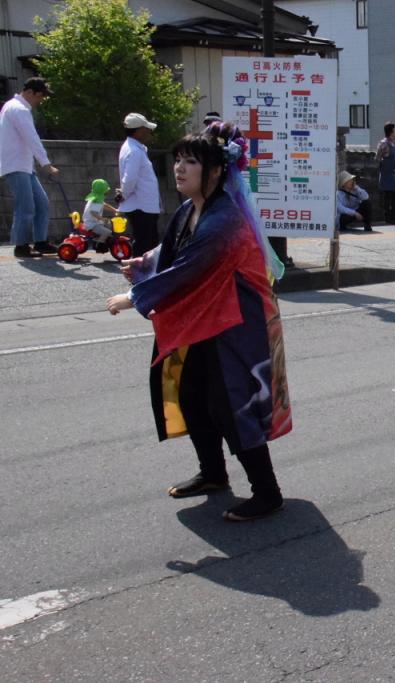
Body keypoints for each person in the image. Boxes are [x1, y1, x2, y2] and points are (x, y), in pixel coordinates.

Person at [105, 122, 290, 522]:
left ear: (218, 170)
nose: (179, 169)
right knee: (191, 395)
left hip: (236, 323)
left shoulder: (225, 219)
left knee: (231, 405)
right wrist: (142, 264)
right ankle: (213, 474)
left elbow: (189, 267)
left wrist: (135, 295)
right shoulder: (192, 209)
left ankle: (267, 492)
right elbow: (169, 252)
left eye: (191, 161)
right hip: (206, 316)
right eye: (177, 161)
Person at [0, 77, 60, 258]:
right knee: (25, 207)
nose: (40, 100)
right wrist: (47, 164)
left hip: (23, 166)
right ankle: (21, 246)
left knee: (41, 203)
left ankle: (40, 242)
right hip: (16, 165)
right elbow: (31, 138)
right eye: (40, 96)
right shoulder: (18, 109)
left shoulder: (15, 107)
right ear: (30, 93)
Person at [117, 113, 162, 254]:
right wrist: (123, 194)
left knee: (148, 242)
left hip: (142, 205)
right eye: (146, 129)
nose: (149, 132)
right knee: (145, 243)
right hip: (141, 206)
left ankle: (145, 273)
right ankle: (140, 274)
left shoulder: (133, 148)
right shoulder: (134, 151)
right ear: (139, 130)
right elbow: (130, 178)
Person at [376, 121, 395, 223]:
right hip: (387, 174)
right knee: (387, 197)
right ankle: (387, 218)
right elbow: (377, 158)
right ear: (391, 130)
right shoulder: (384, 143)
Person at [82, 178, 118, 247]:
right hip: (91, 224)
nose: (107, 192)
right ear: (102, 191)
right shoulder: (96, 202)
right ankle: (99, 245)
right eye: (106, 191)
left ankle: (102, 239)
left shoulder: (97, 198)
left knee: (108, 223)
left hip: (95, 222)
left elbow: (105, 205)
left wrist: (115, 210)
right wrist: (102, 219)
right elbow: (93, 212)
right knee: (108, 232)